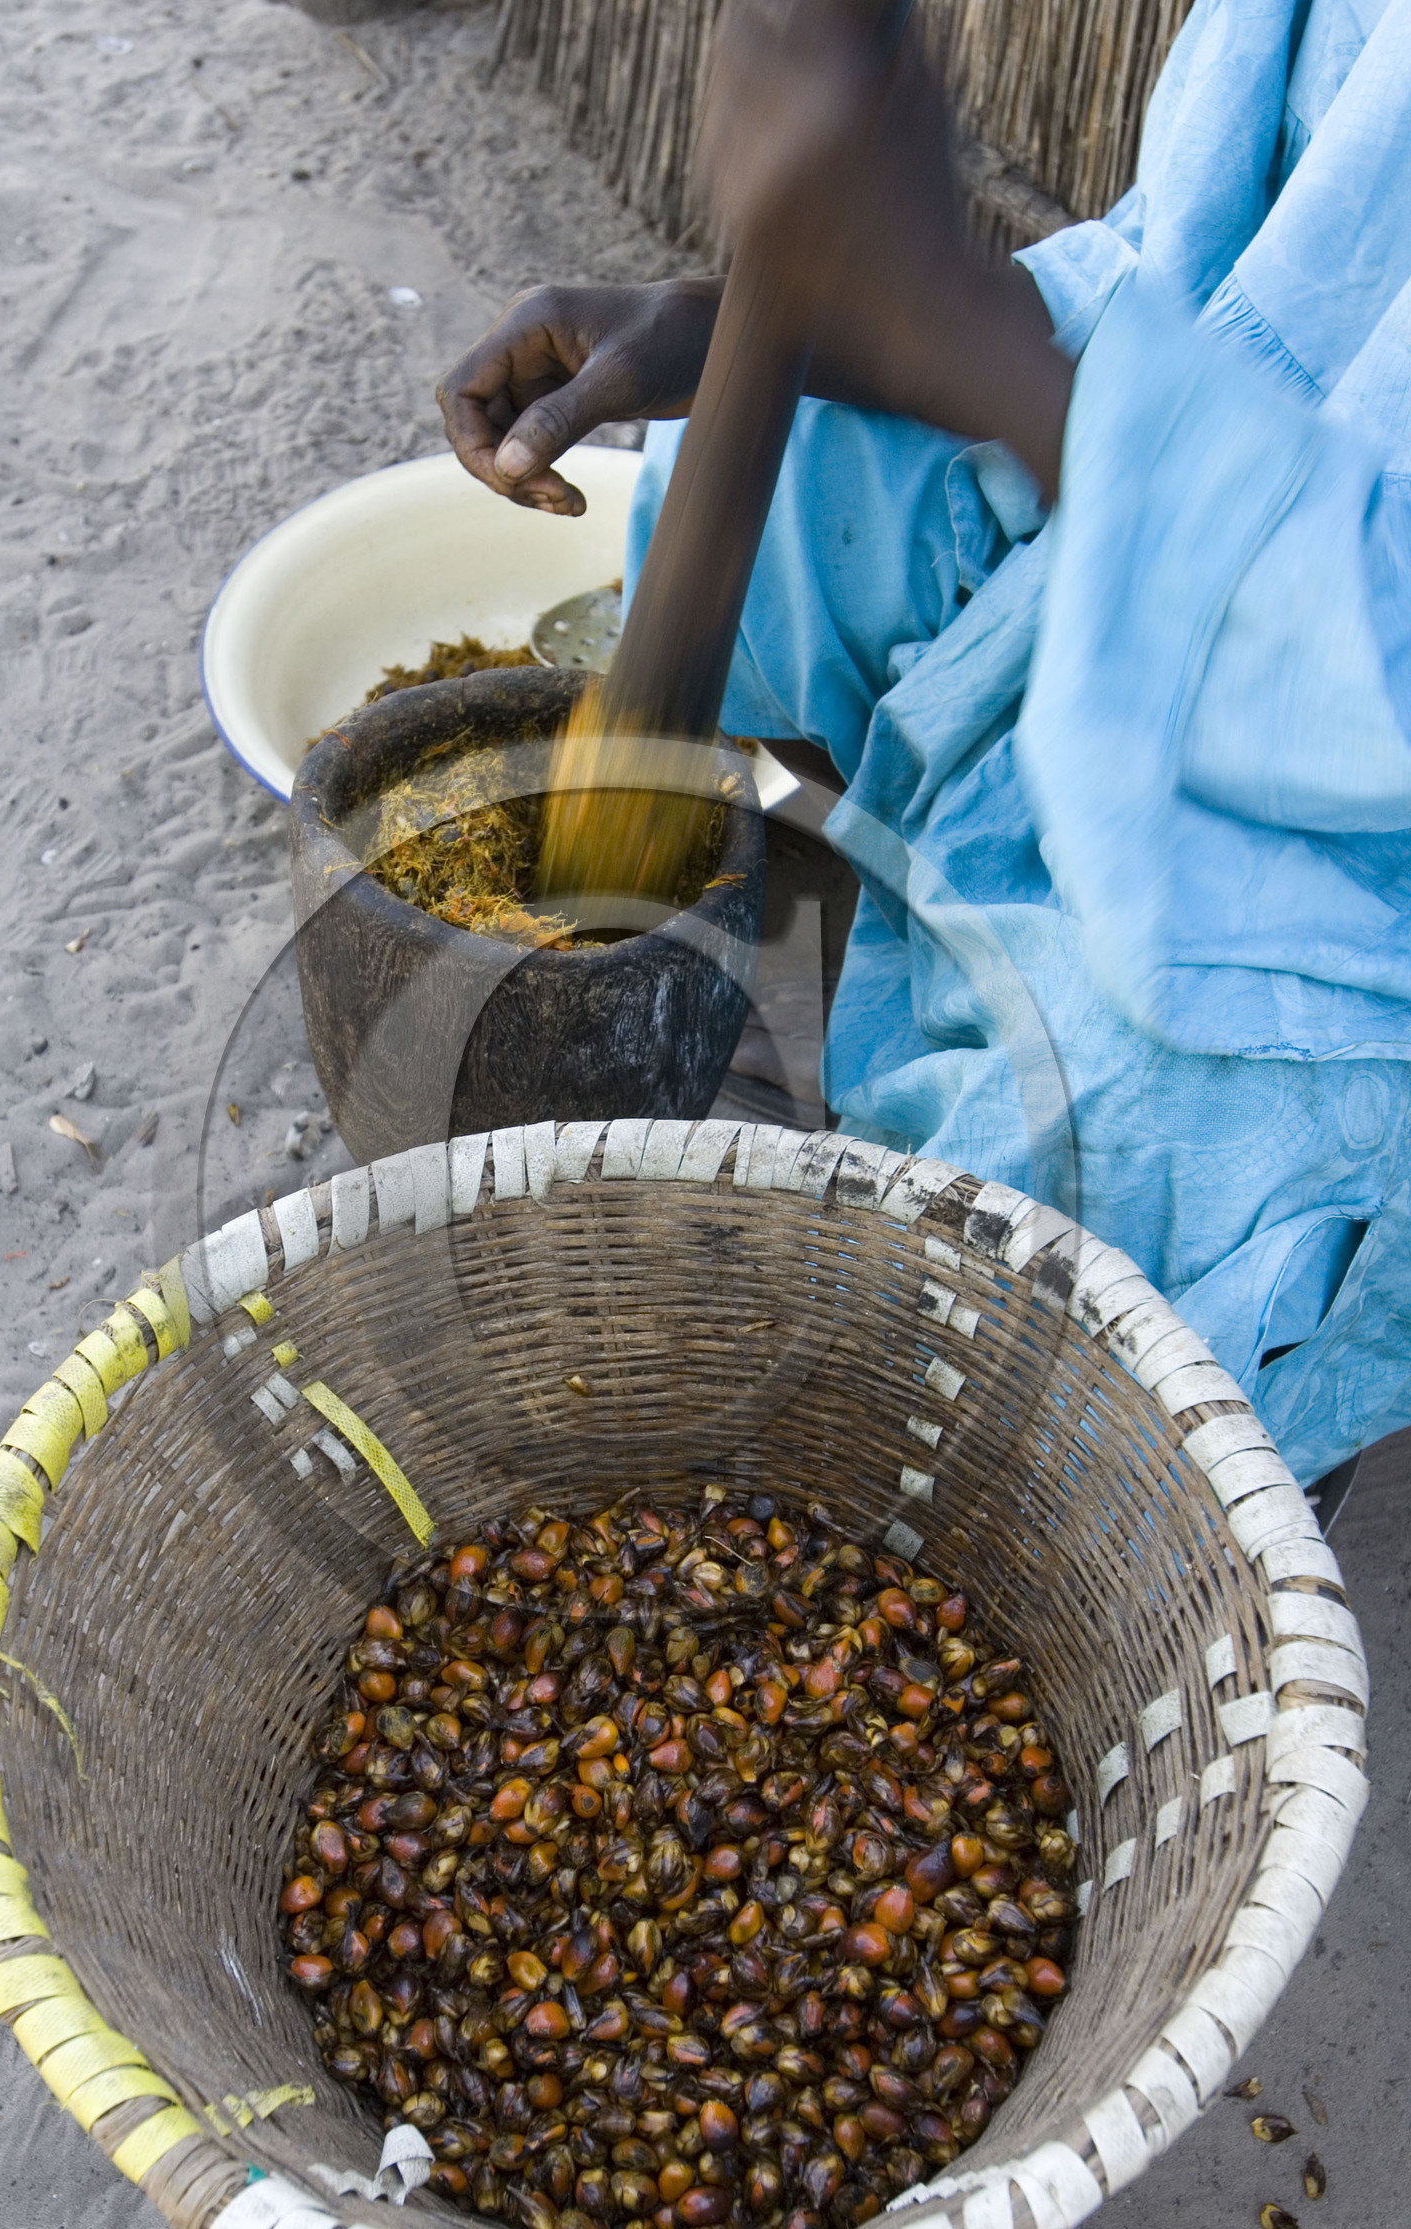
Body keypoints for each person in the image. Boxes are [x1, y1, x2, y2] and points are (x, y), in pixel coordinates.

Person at [436, 0, 1411, 1490]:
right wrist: (762, 327)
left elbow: (1367, 672)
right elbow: (1206, 281)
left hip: (1361, 783)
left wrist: (943, 320)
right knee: (781, 501)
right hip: (1220, 495)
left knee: (1091, 1112)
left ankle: (1219, 1407)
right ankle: (856, 1038)